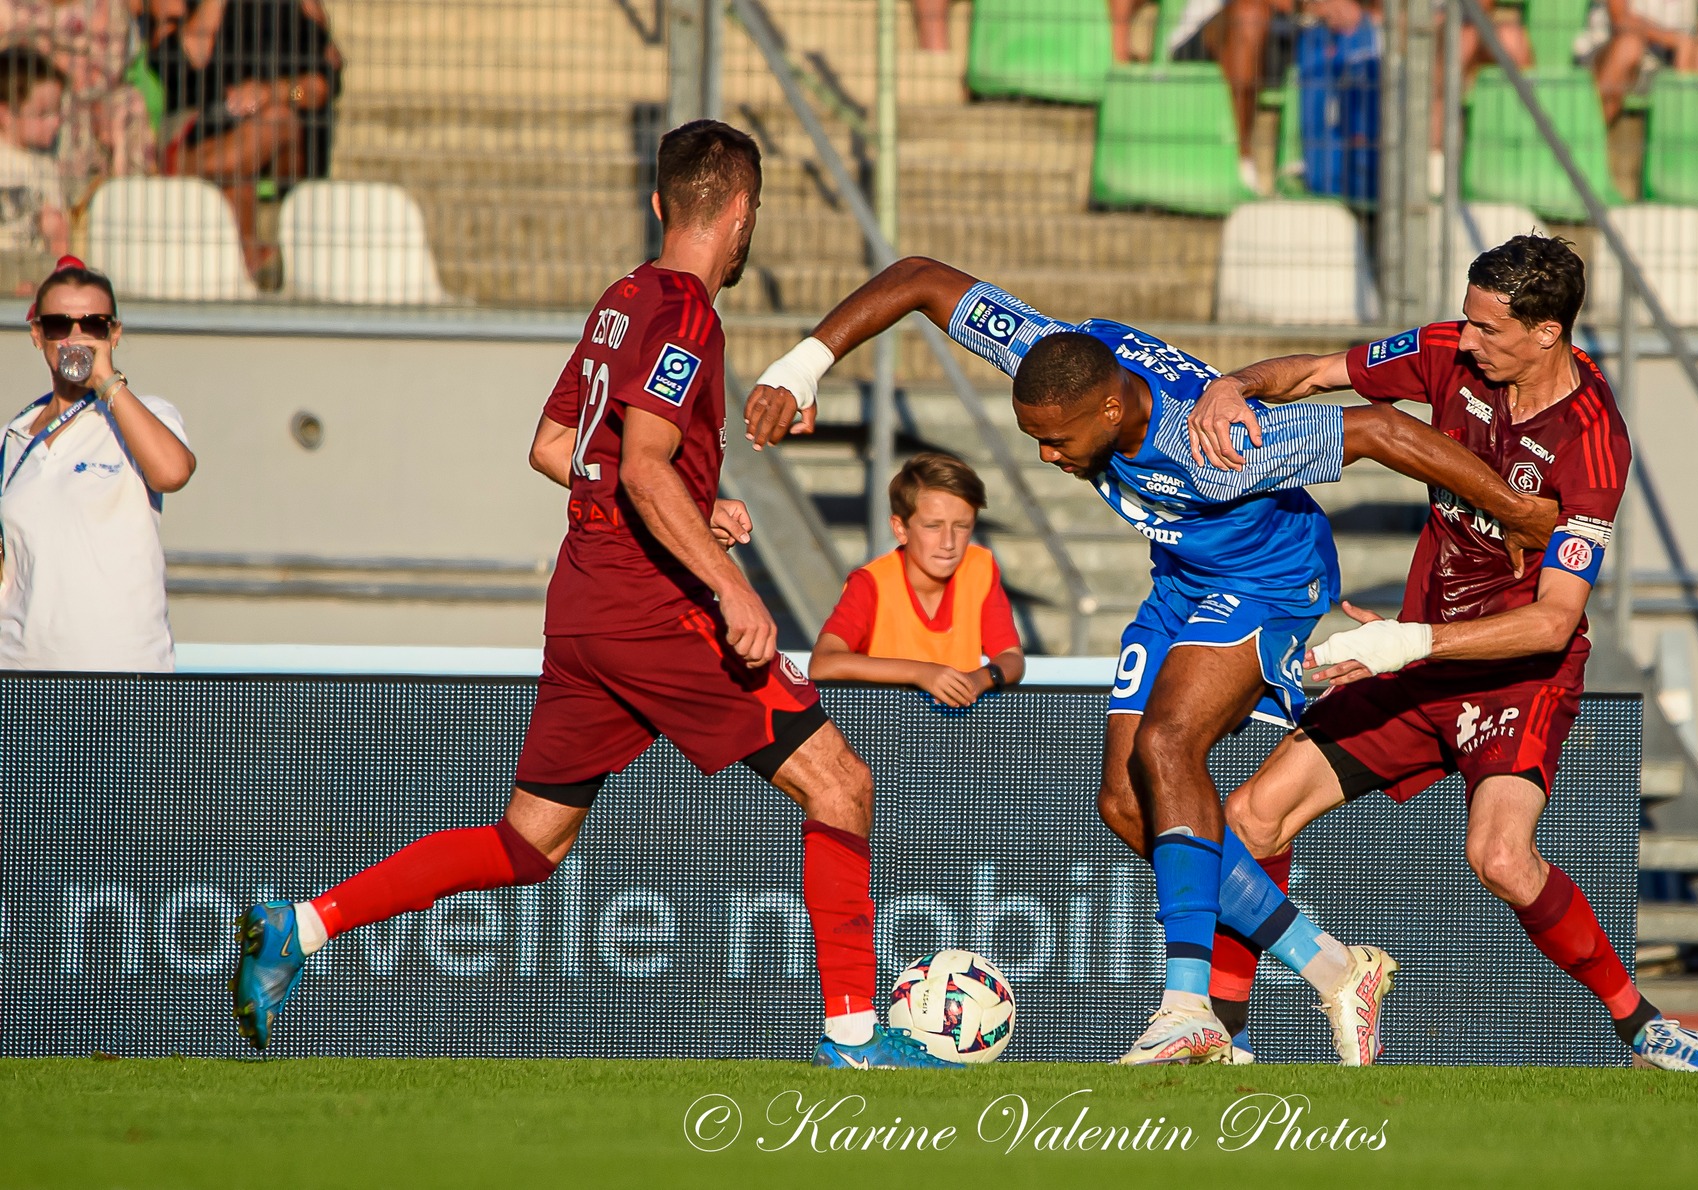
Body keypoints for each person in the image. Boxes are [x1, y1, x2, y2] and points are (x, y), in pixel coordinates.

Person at [231, 120, 962, 1071]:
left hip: (582, 602)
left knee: (528, 843)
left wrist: (702, 506)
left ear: (662, 204)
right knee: (840, 783)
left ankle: (303, 926)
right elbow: (648, 470)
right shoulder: (692, 315)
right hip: (650, 607)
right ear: (740, 215)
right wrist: (729, 582)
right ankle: (857, 1041)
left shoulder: (622, 300)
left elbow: (554, 446)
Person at [745, 255, 1556, 1064]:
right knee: (1124, 801)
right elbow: (921, 278)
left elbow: (1379, 430)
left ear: (1107, 408)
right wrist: (803, 366)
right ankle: (1336, 968)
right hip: (1183, 580)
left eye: (1057, 441)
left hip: (1269, 581)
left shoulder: (1209, 444)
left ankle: (1188, 1007)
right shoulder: (1054, 354)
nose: (1048, 459)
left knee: (1170, 744)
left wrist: (1516, 509)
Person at [1182, 235, 1698, 1073]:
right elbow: (1315, 374)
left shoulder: (1593, 441)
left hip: (1514, 673)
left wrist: (1405, 641)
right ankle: (1223, 1037)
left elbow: (1554, 621)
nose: (1464, 339)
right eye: (1467, 321)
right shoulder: (1453, 353)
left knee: (1501, 859)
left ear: (1547, 333)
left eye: (1488, 329)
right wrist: (1234, 386)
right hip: (1417, 658)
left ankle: (1642, 1028)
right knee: (1248, 820)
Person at [1, 258, 196, 670]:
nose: (75, 337)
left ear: (114, 334)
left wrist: (107, 382)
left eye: (92, 325)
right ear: (38, 335)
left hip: (123, 675)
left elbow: (173, 472)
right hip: (22, 672)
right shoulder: (12, 437)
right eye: (58, 325)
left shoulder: (144, 416)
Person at [810, 451, 1027, 707]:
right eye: (933, 526)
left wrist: (980, 680)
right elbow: (822, 663)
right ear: (901, 529)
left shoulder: (980, 569)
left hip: (957, 731)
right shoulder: (871, 583)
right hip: (887, 731)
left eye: (961, 526)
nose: (948, 543)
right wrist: (921, 673)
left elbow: (1011, 657)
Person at [146, 0, 342, 276]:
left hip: (282, 142)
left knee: (276, 119)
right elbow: (185, 59)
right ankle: (251, 266)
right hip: (211, 128)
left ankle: (178, 166)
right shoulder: (198, 11)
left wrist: (275, 93)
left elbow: (319, 88)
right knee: (237, 183)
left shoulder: (290, 15)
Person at [0, 1, 157, 202]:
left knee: (127, 105)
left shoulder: (107, 8)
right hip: (24, 93)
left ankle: (124, 202)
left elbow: (105, 69)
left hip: (86, 104)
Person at [1578, 0, 1698, 123]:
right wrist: (1675, 40)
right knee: (1629, 47)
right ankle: (1587, 140)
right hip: (1613, 52)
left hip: (1675, 56)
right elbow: (1621, 20)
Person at [0, 46, 68, 258]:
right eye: (42, 113)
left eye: (57, 111)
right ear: (6, 114)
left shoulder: (47, 167)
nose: (55, 122)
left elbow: (59, 244)